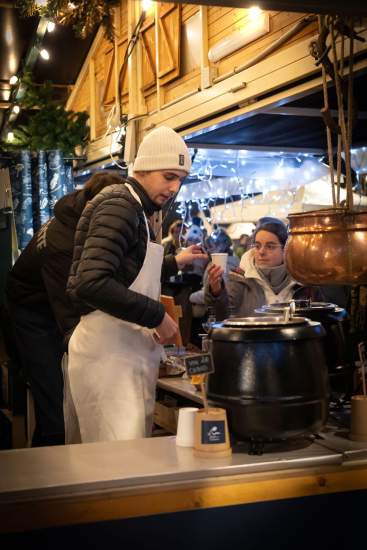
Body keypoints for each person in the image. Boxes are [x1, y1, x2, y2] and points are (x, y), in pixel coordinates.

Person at [65, 126, 207, 443]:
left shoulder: (137, 209)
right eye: (169, 176)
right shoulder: (120, 205)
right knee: (114, 469)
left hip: (125, 356)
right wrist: (156, 315)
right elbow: (91, 282)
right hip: (108, 359)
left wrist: (175, 262)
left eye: (180, 180)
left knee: (127, 463)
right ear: (143, 167)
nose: (174, 187)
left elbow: (128, 268)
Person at [3, 171, 125, 446]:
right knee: (56, 407)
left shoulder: (83, 215)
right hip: (31, 316)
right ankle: (48, 478)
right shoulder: (63, 243)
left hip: (50, 305)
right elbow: (70, 315)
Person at [205, 218, 323, 320]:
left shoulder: (303, 283)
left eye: (270, 246)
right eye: (257, 246)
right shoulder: (240, 279)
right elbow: (221, 316)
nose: (261, 252)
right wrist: (216, 292)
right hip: (252, 345)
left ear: (285, 250)